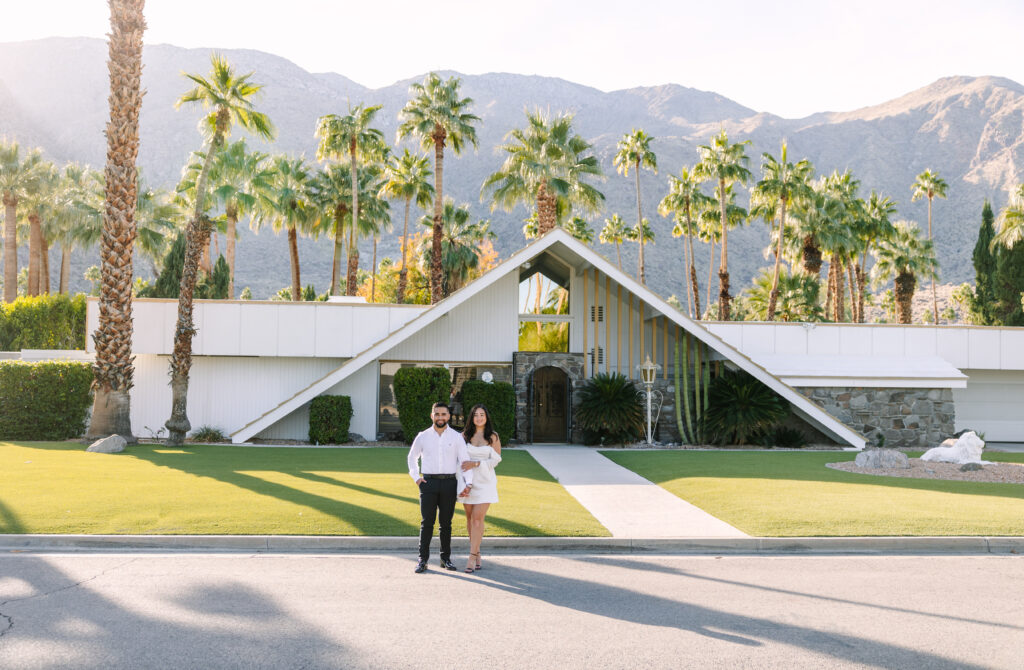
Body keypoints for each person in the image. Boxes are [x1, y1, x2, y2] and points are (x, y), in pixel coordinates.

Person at [407, 402, 474, 574]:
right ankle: (422, 560)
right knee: (427, 523)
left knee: (446, 524)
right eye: (437, 414)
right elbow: (411, 458)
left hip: (449, 484)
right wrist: (416, 478)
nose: (440, 417)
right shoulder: (423, 436)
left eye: (443, 414)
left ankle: (445, 559)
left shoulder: (456, 437)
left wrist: (469, 483)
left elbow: (465, 462)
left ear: (448, 416)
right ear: (432, 416)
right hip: (428, 484)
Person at [459, 404, 502, 573]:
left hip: (485, 482)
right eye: (475, 415)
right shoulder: (464, 436)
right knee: (470, 519)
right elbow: (460, 460)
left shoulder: (493, 437)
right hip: (468, 483)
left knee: (478, 518)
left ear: (486, 417)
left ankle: (471, 556)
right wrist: (464, 484)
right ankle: (477, 552)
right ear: (471, 418)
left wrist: (476, 463)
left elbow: (496, 460)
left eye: (482, 415)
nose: (479, 418)